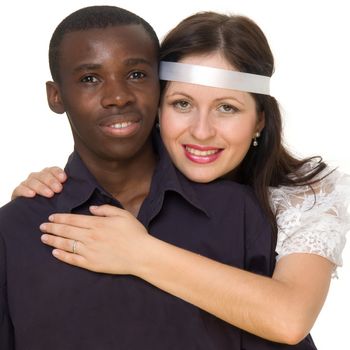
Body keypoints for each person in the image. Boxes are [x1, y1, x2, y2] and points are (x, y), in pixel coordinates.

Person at [13, 10, 350, 348]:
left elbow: (288, 318)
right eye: (182, 104)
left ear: (259, 120)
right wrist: (37, 206)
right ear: (158, 108)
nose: (201, 132)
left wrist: (139, 252)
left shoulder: (304, 197)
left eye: (227, 108)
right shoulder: (116, 189)